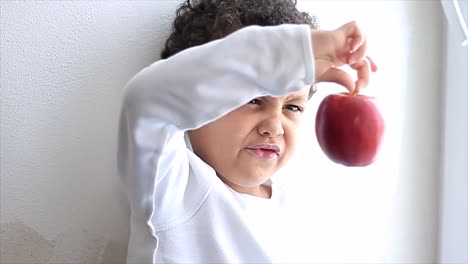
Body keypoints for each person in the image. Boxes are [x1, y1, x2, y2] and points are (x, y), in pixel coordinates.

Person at [117, 0, 377, 263]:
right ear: (197, 101)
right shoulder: (171, 191)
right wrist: (295, 53)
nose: (273, 127)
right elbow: (147, 100)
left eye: (293, 107)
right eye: (253, 99)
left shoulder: (300, 211)